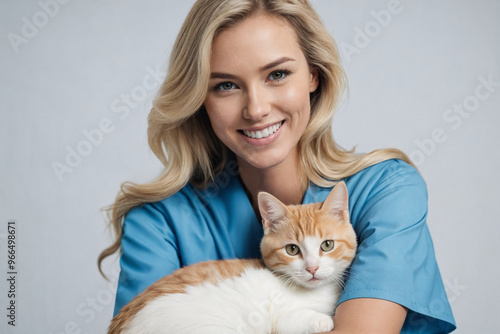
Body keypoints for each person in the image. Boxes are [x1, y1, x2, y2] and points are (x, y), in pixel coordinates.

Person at [98, 0, 456, 332]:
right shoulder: (158, 220)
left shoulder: (387, 189)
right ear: (198, 99)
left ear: (314, 75)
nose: (256, 109)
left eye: (277, 75)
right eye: (225, 85)